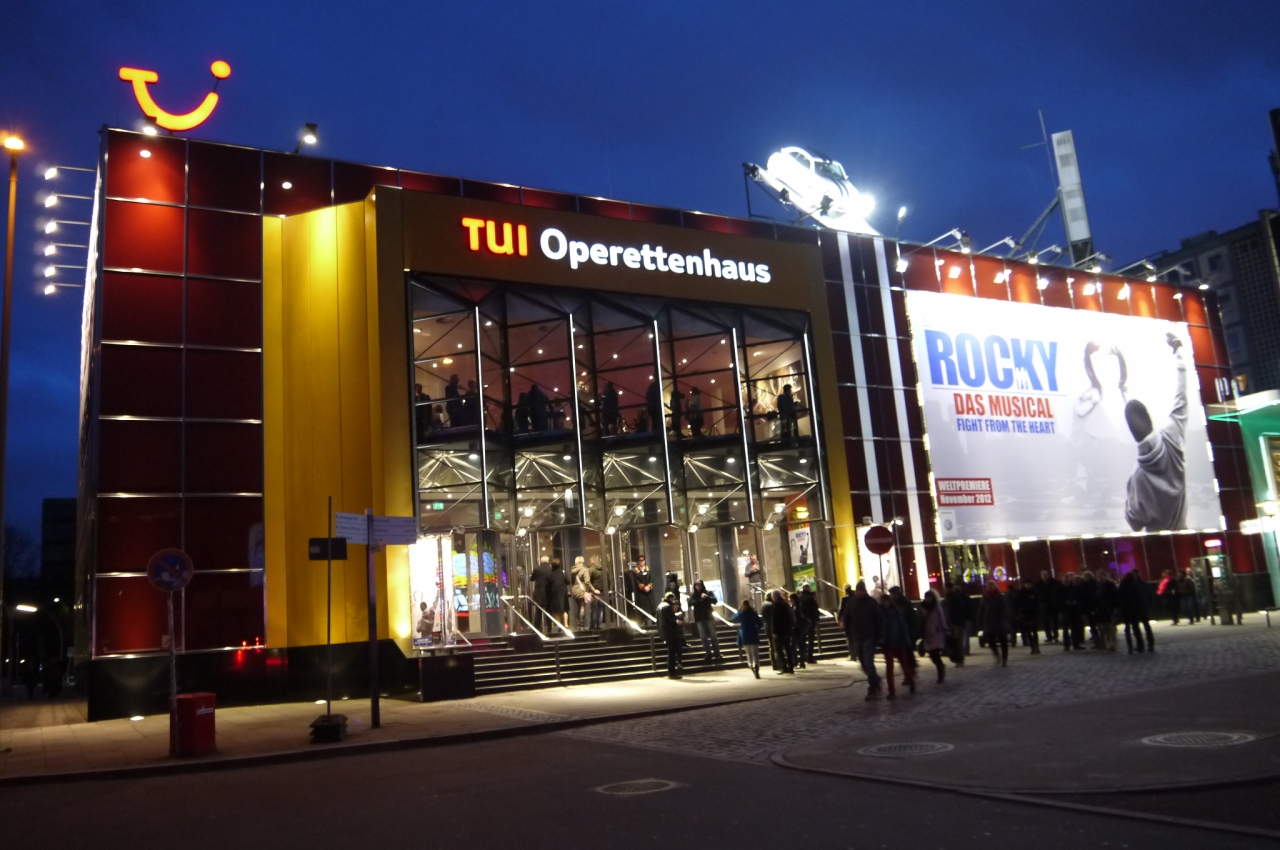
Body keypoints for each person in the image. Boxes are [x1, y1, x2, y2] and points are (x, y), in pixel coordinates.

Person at [1124, 334, 1189, 531]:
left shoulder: (1138, 476)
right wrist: (1178, 349)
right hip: (1185, 535)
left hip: (1157, 545)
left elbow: (1134, 523)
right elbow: (1181, 394)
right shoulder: (1172, 436)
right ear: (1150, 421)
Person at [848, 581, 885, 699]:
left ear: (864, 591)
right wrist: (844, 622)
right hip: (858, 636)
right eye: (857, 591)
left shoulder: (871, 602)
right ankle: (875, 680)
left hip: (869, 635)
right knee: (863, 663)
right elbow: (847, 615)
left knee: (868, 662)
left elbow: (879, 619)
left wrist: (880, 635)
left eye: (861, 591)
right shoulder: (852, 602)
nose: (859, 593)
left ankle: (872, 688)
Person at [879, 593, 916, 698]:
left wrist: (906, 640)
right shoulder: (880, 614)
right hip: (887, 644)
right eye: (883, 602)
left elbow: (903, 628)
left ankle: (911, 683)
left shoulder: (896, 613)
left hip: (899, 642)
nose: (885, 603)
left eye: (886, 601)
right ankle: (891, 690)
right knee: (890, 668)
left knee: (904, 665)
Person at [1118, 568, 1155, 653]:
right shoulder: (1143, 584)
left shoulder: (1127, 585)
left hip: (1133, 610)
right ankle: (1150, 644)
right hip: (1143, 608)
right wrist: (1148, 606)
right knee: (1146, 626)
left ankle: (1140, 645)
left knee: (1136, 627)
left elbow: (1122, 599)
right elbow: (1149, 596)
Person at [688, 580, 723, 662]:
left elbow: (715, 601)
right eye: (696, 585)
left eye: (699, 585)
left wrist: (706, 597)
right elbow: (690, 603)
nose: (698, 587)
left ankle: (717, 653)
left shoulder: (708, 592)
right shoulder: (693, 595)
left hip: (708, 617)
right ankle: (708, 653)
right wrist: (700, 599)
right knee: (703, 637)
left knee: (713, 636)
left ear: (702, 585)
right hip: (699, 618)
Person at [979, 580, 1011, 667]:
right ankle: (997, 655)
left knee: (1003, 640)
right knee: (991, 641)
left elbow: (1004, 608)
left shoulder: (999, 596)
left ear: (995, 586)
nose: (989, 587)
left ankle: (1004, 658)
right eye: (988, 586)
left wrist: (1005, 619)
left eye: (991, 586)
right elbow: (982, 609)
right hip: (989, 622)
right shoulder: (985, 597)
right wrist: (980, 620)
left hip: (999, 621)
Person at [920, 590, 949, 683]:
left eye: (929, 597)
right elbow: (920, 620)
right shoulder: (922, 607)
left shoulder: (936, 606)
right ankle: (941, 667)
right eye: (926, 597)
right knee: (932, 655)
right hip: (927, 634)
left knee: (935, 654)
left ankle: (940, 673)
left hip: (937, 633)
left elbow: (942, 618)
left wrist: (945, 629)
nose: (928, 599)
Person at [732, 599, 764, 678]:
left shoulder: (741, 614)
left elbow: (733, 619)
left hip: (745, 634)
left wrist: (739, 611)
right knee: (755, 653)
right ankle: (756, 666)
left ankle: (751, 665)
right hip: (753, 634)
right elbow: (760, 623)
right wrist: (756, 629)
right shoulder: (754, 613)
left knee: (748, 653)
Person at [658, 592, 686, 678]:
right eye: (673, 599)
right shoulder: (667, 606)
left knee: (671, 653)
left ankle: (671, 673)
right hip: (671, 632)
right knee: (672, 654)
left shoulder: (660, 606)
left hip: (665, 632)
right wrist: (677, 619)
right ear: (670, 598)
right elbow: (671, 619)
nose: (673, 601)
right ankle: (672, 673)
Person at [944, 581, 972, 664]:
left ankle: (960, 659)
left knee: (958, 641)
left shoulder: (953, 597)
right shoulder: (953, 597)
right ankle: (959, 658)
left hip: (956, 622)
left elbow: (955, 610)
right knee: (957, 641)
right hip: (956, 622)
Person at [770, 590, 796, 673]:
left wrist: (774, 631)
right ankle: (791, 666)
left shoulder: (776, 604)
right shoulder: (785, 603)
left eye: (772, 596)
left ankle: (784, 666)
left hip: (780, 630)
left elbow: (775, 619)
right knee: (788, 648)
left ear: (775, 596)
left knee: (779, 649)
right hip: (787, 629)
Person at [1013, 579, 1040, 654]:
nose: (1028, 586)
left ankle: (1036, 647)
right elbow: (1017, 604)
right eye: (1027, 584)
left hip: (1032, 613)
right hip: (1025, 614)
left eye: (1029, 584)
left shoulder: (1033, 592)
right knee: (1028, 631)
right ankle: (1033, 647)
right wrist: (1017, 613)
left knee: (1034, 631)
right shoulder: (1021, 593)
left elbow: (1037, 602)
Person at [796, 583, 820, 663]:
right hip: (810, 621)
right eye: (809, 587)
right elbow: (815, 609)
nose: (811, 588)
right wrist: (816, 618)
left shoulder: (799, 597)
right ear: (806, 588)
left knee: (802, 639)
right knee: (810, 639)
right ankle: (810, 657)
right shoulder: (810, 598)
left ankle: (804, 656)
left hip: (801, 621)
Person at [1061, 573, 1085, 651]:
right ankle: (1066, 645)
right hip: (1064, 610)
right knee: (1065, 628)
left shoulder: (1074, 588)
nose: (1066, 580)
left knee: (1074, 627)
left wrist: (1075, 602)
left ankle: (1075, 644)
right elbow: (1057, 599)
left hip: (1073, 610)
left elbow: (1079, 597)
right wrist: (1064, 603)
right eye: (1065, 579)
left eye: (1067, 579)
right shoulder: (1059, 589)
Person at [1096, 572, 1120, 652]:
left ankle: (1112, 643)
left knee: (1109, 626)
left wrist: (1114, 607)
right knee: (1104, 627)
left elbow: (1114, 596)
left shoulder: (1110, 585)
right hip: (1102, 609)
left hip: (1109, 608)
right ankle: (1110, 641)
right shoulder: (1099, 585)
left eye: (1101, 576)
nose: (1100, 578)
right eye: (1099, 577)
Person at [571, 556, 595, 630]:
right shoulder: (585, 570)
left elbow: (571, 581)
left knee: (578, 606)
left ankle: (578, 624)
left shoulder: (572, 570)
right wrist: (593, 589)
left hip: (574, 590)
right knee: (582, 607)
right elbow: (587, 582)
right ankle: (582, 624)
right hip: (582, 590)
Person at [545, 558, 570, 627]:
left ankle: (559, 625)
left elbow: (548, 585)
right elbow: (568, 582)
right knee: (565, 610)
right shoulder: (563, 572)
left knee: (557, 611)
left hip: (554, 594)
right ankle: (566, 624)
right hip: (563, 593)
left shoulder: (550, 574)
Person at [530, 555, 552, 631]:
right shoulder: (551, 568)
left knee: (538, 611)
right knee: (549, 611)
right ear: (548, 561)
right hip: (548, 592)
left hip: (539, 593)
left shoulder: (536, 569)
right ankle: (549, 628)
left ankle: (536, 628)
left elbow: (532, 578)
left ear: (541, 561)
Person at [788, 592, 809, 670]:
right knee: (798, 645)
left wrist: (795, 625)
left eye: (789, 598)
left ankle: (798, 662)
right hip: (798, 628)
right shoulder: (796, 606)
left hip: (797, 629)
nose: (789, 600)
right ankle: (800, 662)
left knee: (796, 645)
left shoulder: (796, 607)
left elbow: (797, 618)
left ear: (793, 599)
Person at [1040, 570, 1062, 643]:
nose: (1044, 576)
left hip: (1053, 605)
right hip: (1045, 605)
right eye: (1043, 575)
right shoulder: (1039, 585)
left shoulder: (1053, 583)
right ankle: (1049, 636)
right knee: (1046, 622)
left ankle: (1055, 636)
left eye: (1045, 575)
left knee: (1055, 621)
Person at [588, 555, 607, 629]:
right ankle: (599, 624)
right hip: (602, 591)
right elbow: (608, 579)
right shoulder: (604, 569)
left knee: (594, 609)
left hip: (594, 591)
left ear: (593, 561)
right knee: (600, 608)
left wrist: (590, 590)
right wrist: (607, 589)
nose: (590, 562)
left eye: (590, 561)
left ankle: (593, 625)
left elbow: (588, 581)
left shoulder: (591, 569)